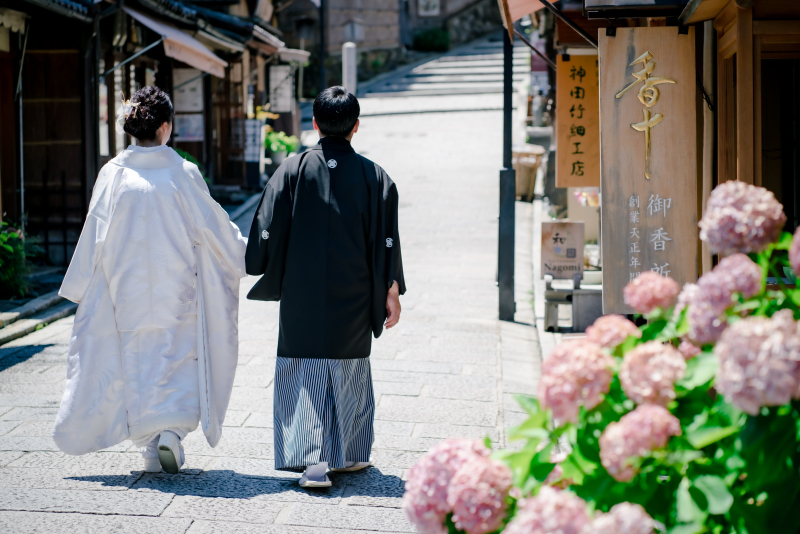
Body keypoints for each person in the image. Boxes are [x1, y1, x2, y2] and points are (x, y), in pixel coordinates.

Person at [52, 86, 248, 474]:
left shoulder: (113, 174)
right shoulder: (182, 172)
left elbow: (94, 232)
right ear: (165, 128)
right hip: (178, 288)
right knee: (175, 356)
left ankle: (149, 446)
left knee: (135, 361)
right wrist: (246, 252)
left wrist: (80, 287)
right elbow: (213, 227)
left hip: (127, 288)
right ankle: (170, 435)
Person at [245, 86, 406, 488]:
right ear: (356, 127)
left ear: (314, 123)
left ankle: (314, 461)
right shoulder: (376, 177)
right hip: (355, 293)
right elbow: (389, 238)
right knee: (347, 369)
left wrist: (258, 261)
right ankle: (344, 456)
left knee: (304, 369)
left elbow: (266, 225)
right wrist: (391, 289)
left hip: (302, 293)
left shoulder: (292, 169)